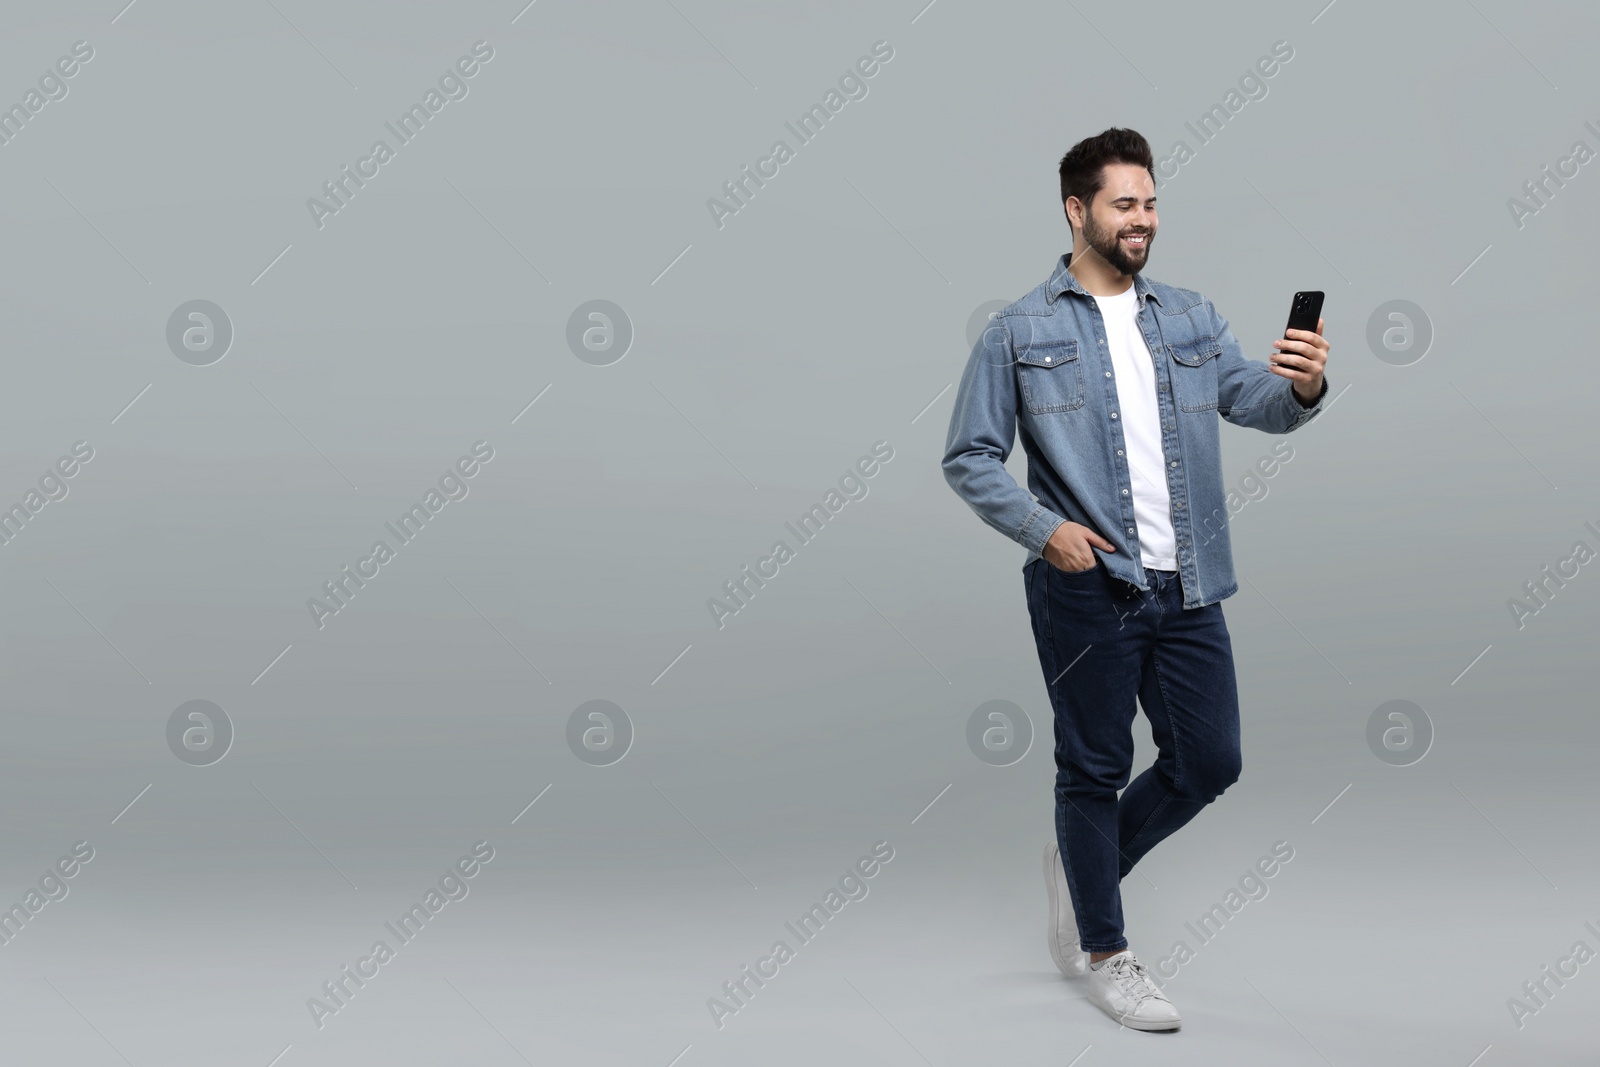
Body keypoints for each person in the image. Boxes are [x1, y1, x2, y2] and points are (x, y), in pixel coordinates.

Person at [941, 127, 1329, 1031]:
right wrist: (1044, 533)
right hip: (1089, 584)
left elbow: (1256, 402)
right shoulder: (1021, 329)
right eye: (1125, 204)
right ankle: (1108, 952)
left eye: (1151, 202)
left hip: (1189, 581)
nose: (1143, 219)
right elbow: (969, 455)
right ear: (1077, 211)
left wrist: (1304, 389)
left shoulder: (1189, 315)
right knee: (1094, 766)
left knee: (1210, 759)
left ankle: (1084, 867)